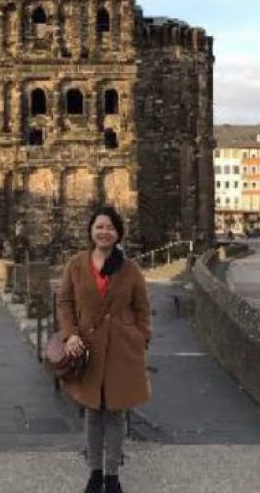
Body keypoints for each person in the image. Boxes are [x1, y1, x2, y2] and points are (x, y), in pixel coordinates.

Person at [57, 205, 151, 493]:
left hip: (122, 350)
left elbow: (142, 308)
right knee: (92, 413)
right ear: (91, 231)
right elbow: (65, 302)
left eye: (110, 227)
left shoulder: (129, 268)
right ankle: (94, 473)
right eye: (99, 226)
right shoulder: (76, 264)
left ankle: (112, 476)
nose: (104, 232)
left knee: (115, 413)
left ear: (118, 233)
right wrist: (70, 335)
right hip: (87, 349)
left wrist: (140, 337)